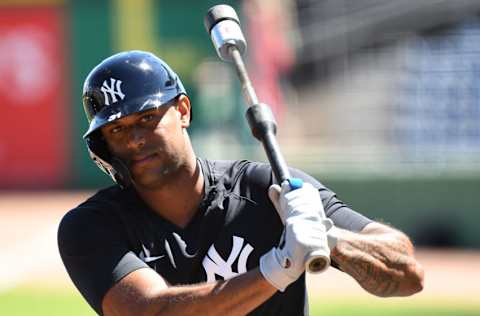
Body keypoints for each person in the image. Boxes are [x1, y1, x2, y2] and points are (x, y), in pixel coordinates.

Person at [58, 50, 424, 316]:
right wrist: (276, 269)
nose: (135, 139)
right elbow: (148, 313)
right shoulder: (92, 226)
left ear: (183, 110)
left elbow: (407, 273)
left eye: (148, 118)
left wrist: (329, 238)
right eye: (118, 130)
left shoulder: (266, 188)